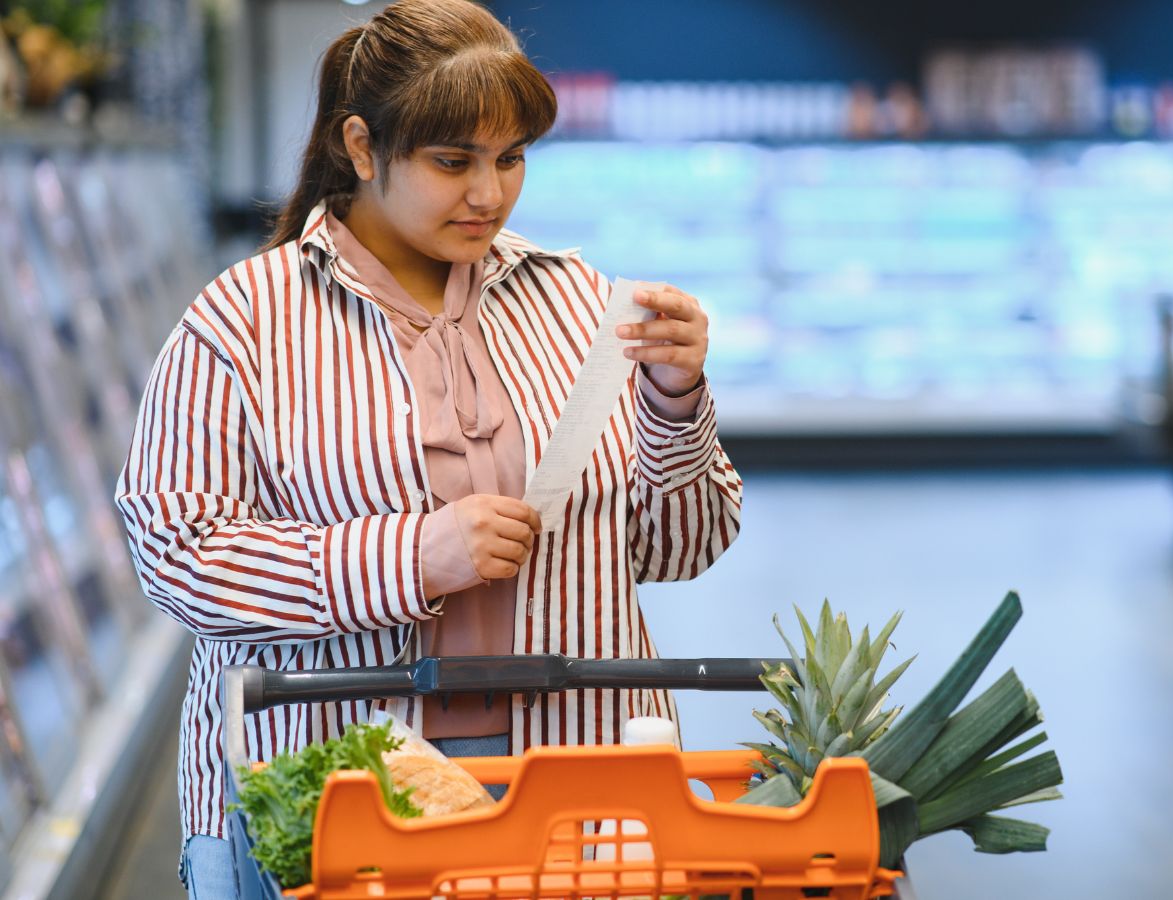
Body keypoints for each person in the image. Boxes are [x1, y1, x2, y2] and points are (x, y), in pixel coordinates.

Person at [113, 1, 742, 896]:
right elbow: (178, 558)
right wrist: (412, 555)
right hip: (332, 804)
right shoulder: (243, 323)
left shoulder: (578, 308)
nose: (489, 194)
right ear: (362, 147)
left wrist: (674, 403)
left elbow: (679, 548)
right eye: (453, 162)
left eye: (511, 158)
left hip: (576, 800)